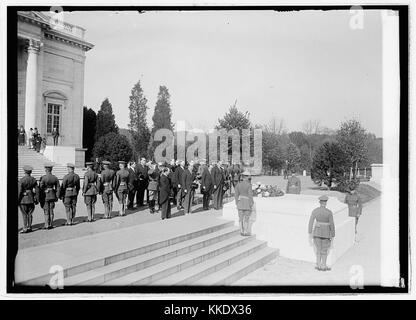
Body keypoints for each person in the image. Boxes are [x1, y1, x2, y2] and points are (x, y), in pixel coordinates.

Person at [308, 195, 335, 271]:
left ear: (320, 202)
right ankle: (323, 265)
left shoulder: (315, 211)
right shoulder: (329, 212)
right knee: (324, 250)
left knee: (318, 249)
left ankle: (318, 265)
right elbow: (332, 224)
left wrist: (310, 232)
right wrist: (333, 234)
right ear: (326, 203)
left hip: (317, 232)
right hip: (326, 233)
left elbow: (311, 222)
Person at [18, 165, 39, 233]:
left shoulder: (22, 180)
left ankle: (25, 228)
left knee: (24, 214)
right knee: (30, 214)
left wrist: (18, 200)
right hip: (31, 199)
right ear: (31, 172)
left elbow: (20, 191)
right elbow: (37, 190)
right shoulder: (33, 180)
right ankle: (30, 227)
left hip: (23, 200)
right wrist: (37, 199)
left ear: (24, 172)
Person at [39, 163, 60, 229]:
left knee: (46, 210)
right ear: (51, 169)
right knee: (51, 210)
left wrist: (44, 191)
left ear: (46, 169)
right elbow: (58, 188)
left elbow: (40, 187)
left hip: (46, 196)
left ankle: (46, 225)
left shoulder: (43, 178)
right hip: (52, 196)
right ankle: (51, 224)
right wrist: (57, 196)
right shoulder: (55, 178)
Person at [234, 170, 254, 236]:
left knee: (240, 219)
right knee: (246, 219)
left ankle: (241, 231)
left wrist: (237, 203)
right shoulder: (249, 185)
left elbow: (236, 195)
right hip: (247, 204)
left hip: (240, 203)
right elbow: (250, 195)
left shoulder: (238, 185)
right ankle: (245, 231)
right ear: (247, 177)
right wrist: (251, 204)